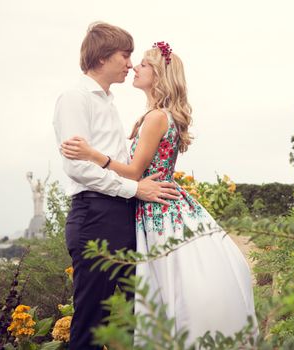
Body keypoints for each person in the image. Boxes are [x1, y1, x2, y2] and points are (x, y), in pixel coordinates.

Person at [61, 41, 259, 346]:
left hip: (155, 207)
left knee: (162, 288)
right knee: (165, 292)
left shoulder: (156, 118)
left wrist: (93, 154)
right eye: (131, 60)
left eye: (142, 64)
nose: (134, 67)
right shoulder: (156, 115)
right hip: (161, 203)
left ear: (159, 75)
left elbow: (134, 173)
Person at [53, 23, 181, 350]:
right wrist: (135, 189)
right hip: (94, 217)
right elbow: (78, 166)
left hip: (123, 217)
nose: (129, 64)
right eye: (125, 56)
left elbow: (124, 164)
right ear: (101, 59)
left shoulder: (109, 102)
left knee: (131, 323)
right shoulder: (75, 99)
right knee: (92, 324)